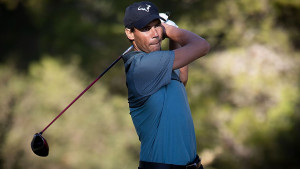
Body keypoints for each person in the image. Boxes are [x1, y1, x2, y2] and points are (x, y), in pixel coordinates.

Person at [122, 1, 210, 169]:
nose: (155, 34)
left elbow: (181, 78)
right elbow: (202, 46)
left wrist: (171, 35)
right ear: (130, 33)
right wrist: (170, 30)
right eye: (146, 29)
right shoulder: (142, 66)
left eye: (156, 26)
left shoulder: (159, 64)